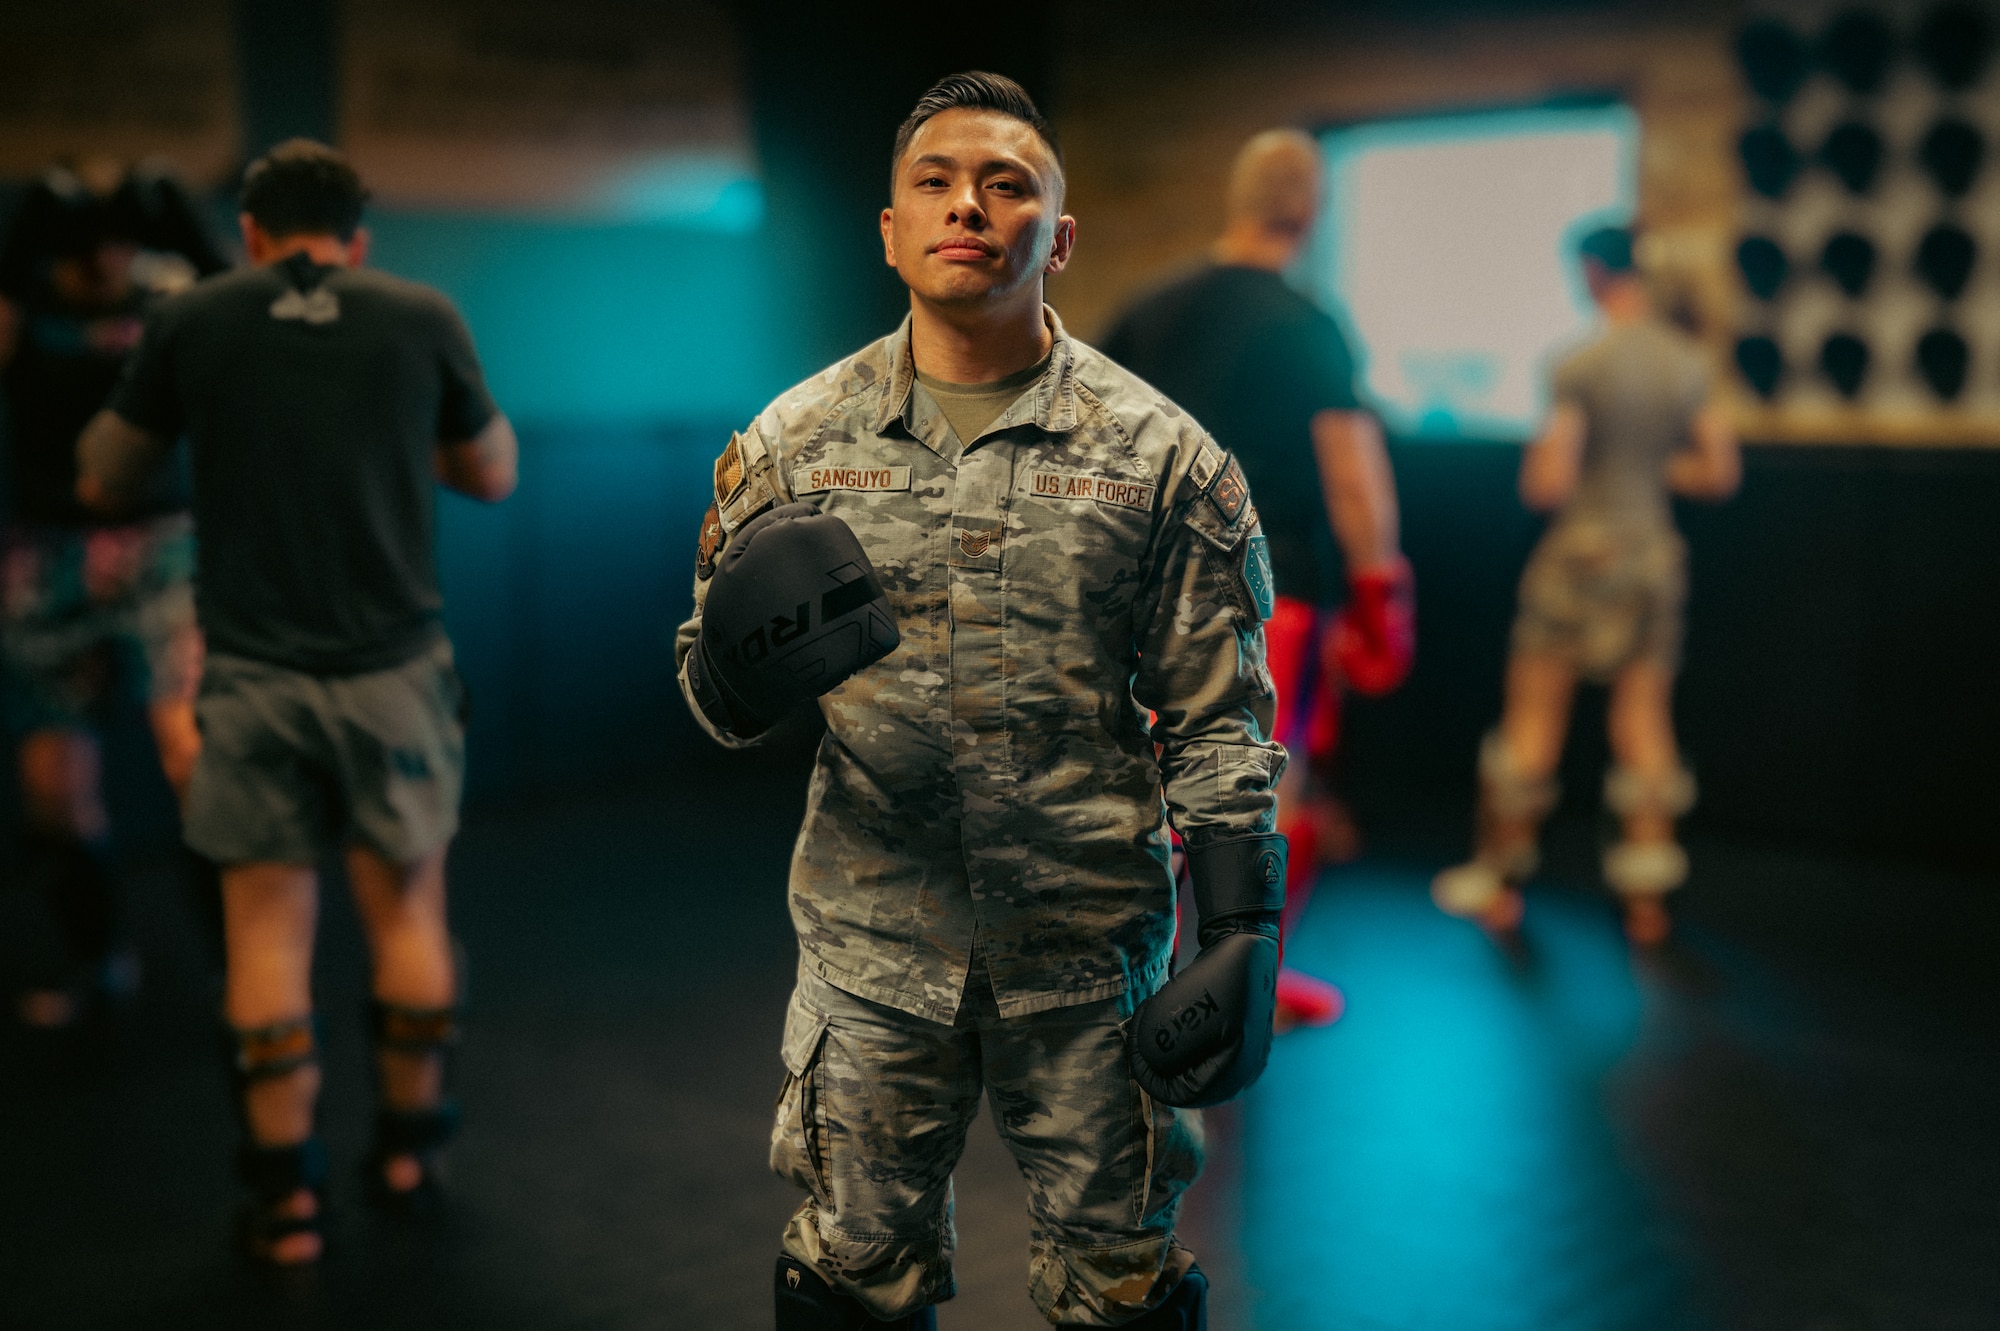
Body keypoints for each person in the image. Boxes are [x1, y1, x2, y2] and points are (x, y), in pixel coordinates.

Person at [677, 73, 1284, 1329]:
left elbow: (1217, 715)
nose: (970, 204)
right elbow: (711, 694)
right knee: (851, 1276)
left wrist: (1239, 926)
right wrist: (739, 665)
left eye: (1008, 185)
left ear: (1056, 236)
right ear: (891, 228)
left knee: (1119, 1282)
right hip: (871, 955)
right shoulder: (791, 445)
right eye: (936, 181)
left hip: (1086, 954)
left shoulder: (1161, 456)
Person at [75, 139, 517, 1264]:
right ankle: (411, 1157)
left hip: (256, 679)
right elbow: (491, 472)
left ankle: (287, 1207)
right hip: (394, 673)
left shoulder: (196, 317)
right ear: (356, 235)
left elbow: (100, 476)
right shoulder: (419, 312)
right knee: (410, 918)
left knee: (266, 937)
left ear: (256, 233)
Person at [1100, 129, 1413, 1030]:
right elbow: (1353, 473)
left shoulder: (1147, 310)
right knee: (1270, 791)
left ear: (1237, 201)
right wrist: (1380, 589)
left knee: (1146, 787)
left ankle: (1123, 986)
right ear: (1309, 213)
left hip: (1147, 586)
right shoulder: (1306, 322)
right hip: (1266, 593)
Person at [1430, 226, 1738, 947]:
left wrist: (1584, 470)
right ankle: (1647, 904)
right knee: (1643, 724)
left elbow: (1547, 483)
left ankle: (1500, 886)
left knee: (1534, 723)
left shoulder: (1578, 362)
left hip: (1581, 554)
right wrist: (1646, 471)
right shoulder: (1687, 361)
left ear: (1596, 272)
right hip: (1654, 553)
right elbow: (1719, 473)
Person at [0, 160, 228, 1028]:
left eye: (123, 239)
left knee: (191, 758)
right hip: (43, 553)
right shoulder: (24, 310)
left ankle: (237, 966)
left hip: (159, 547)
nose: (109, 259)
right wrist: (28, 233)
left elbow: (235, 317)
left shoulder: (164, 300)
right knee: (54, 790)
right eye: (91, 244)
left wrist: (176, 220)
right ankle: (99, 961)